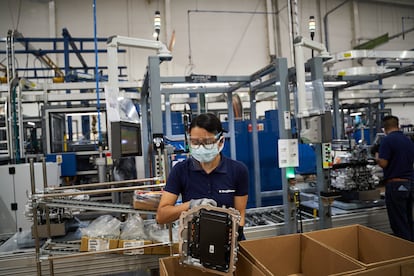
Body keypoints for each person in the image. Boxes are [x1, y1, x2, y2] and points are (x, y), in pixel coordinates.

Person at [156, 113, 249, 240]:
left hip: (231, 243)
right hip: (196, 244)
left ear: (220, 142)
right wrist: (191, 206)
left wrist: (233, 239)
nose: (200, 147)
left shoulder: (238, 170)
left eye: (207, 142)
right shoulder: (181, 170)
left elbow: (240, 213)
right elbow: (161, 216)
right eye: (195, 142)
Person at [375, 115, 414, 241]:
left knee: (399, 224)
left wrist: (376, 156)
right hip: (410, 184)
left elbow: (384, 163)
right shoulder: (408, 140)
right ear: (397, 125)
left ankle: (405, 255)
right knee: (408, 221)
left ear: (384, 128)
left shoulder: (387, 140)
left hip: (396, 185)